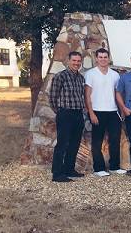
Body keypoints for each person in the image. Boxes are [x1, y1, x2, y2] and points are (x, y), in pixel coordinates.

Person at [85, 48, 125, 177]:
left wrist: (122, 109)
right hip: (97, 111)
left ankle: (114, 167)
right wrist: (91, 113)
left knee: (115, 140)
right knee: (97, 141)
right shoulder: (90, 74)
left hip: (113, 112)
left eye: (105, 57)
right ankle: (99, 169)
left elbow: (117, 93)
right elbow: (87, 95)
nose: (103, 59)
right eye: (100, 57)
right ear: (96, 58)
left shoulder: (115, 75)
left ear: (108, 58)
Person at [49, 51, 86, 182]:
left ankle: (69, 169)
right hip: (65, 113)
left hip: (78, 114)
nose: (76, 63)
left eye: (78, 61)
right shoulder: (60, 76)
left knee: (75, 144)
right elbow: (52, 97)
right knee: (62, 144)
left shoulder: (81, 78)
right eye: (74, 61)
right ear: (68, 61)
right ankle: (57, 173)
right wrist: (60, 111)